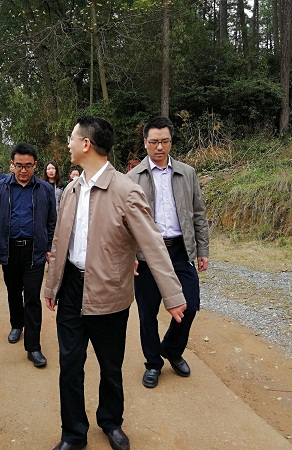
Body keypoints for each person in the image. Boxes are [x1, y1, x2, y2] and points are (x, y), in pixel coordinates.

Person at [44, 116, 186, 450]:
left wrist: (173, 294)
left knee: (110, 366)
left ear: (86, 144)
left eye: (72, 137)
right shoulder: (71, 190)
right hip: (71, 290)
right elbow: (59, 242)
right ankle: (73, 434)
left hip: (109, 293)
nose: (68, 143)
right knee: (70, 366)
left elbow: (152, 244)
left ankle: (111, 421)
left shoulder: (125, 190)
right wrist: (51, 286)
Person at [128, 116, 209, 388]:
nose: (159, 147)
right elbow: (125, 222)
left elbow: (198, 213)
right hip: (147, 255)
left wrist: (202, 249)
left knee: (191, 304)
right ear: (145, 143)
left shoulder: (187, 173)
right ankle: (153, 363)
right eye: (154, 142)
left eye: (164, 141)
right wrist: (130, 255)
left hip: (179, 251)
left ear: (171, 142)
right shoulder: (132, 178)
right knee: (147, 312)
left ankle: (172, 349)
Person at [0, 143, 56, 367]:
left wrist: (49, 247)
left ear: (35, 165)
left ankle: (33, 347)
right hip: (9, 249)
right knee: (13, 291)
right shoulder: (0, 189)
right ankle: (17, 324)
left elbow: (52, 221)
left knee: (32, 297)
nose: (23, 170)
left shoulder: (45, 189)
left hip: (34, 251)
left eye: (28, 166)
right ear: (12, 165)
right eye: (19, 165)